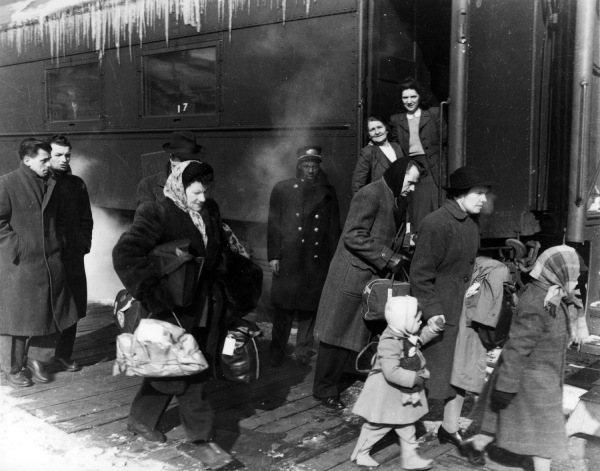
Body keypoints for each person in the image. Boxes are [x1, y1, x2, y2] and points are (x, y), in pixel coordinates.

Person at [113, 161, 229, 463]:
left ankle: (140, 419)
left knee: (169, 366)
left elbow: (220, 253)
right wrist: (153, 291)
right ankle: (202, 438)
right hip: (169, 307)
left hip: (202, 305)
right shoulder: (158, 212)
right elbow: (125, 253)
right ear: (179, 186)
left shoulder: (209, 211)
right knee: (192, 370)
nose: (202, 198)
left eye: (205, 191)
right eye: (196, 192)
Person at [313, 158, 425, 410]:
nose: (413, 188)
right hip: (352, 274)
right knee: (336, 333)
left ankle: (345, 372)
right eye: (411, 181)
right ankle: (324, 389)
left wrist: (410, 242)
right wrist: (387, 255)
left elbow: (398, 233)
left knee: (357, 329)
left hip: (371, 275)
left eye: (416, 183)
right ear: (399, 175)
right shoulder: (370, 193)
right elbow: (353, 234)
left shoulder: (399, 197)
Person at [469, 245, 585, 471]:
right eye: (572, 271)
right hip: (533, 380)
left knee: (500, 419)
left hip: (542, 376)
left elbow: (574, 299)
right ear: (558, 270)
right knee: (544, 438)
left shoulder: (552, 291)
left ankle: (476, 444)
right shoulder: (537, 300)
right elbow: (517, 346)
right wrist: (505, 385)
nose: (576, 276)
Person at [409, 166, 493, 466]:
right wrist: (432, 313)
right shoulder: (436, 223)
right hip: (440, 312)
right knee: (424, 374)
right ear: (460, 194)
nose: (484, 199)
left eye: (485, 193)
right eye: (479, 193)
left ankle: (449, 428)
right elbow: (420, 276)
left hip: (463, 310)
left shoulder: (470, 222)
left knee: (459, 372)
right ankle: (403, 425)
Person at [0, 139, 78, 387]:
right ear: (27, 160)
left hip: (51, 258)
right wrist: (17, 246)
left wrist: (61, 243)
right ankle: (11, 368)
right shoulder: (8, 183)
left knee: (52, 310)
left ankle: (37, 360)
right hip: (20, 262)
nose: (49, 164)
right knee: (17, 318)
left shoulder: (52, 182)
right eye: (44, 160)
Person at [267, 146, 340, 366]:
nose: (311, 170)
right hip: (288, 257)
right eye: (306, 165)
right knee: (283, 307)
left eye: (314, 165)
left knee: (309, 307)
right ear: (299, 166)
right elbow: (274, 225)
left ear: (319, 167)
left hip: (314, 260)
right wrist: (274, 256)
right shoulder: (283, 189)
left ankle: (303, 351)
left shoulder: (327, 192)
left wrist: (332, 261)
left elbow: (333, 229)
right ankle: (277, 351)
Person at [351, 295, 441, 470]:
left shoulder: (405, 335)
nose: (419, 324)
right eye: (417, 320)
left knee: (407, 423)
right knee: (378, 425)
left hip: (401, 393)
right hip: (387, 392)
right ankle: (360, 453)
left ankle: (410, 457)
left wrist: (433, 329)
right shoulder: (390, 342)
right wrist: (414, 378)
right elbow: (391, 371)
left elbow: (420, 339)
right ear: (403, 320)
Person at [136, 130, 249, 257]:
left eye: (193, 161)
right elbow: (141, 238)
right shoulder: (148, 185)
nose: (189, 166)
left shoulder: (203, 184)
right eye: (184, 161)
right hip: (170, 265)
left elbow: (214, 226)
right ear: (172, 158)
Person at [49, 134, 93, 372]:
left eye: (67, 155)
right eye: (58, 155)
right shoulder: (41, 184)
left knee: (73, 305)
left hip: (73, 255)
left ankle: (63, 355)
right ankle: (41, 357)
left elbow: (87, 219)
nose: (64, 160)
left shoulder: (77, 184)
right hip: (49, 257)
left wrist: (83, 245)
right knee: (49, 304)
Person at [390, 78, 447, 233]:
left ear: (420, 96)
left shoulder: (434, 113)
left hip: (433, 166)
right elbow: (395, 145)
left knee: (436, 204)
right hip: (411, 167)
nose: (409, 101)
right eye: (405, 97)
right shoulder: (396, 119)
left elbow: (444, 140)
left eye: (413, 97)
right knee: (415, 208)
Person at [351, 116, 404, 194]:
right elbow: (357, 184)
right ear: (369, 135)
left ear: (386, 129)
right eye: (372, 129)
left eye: (379, 127)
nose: (377, 132)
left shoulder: (397, 147)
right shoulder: (368, 152)